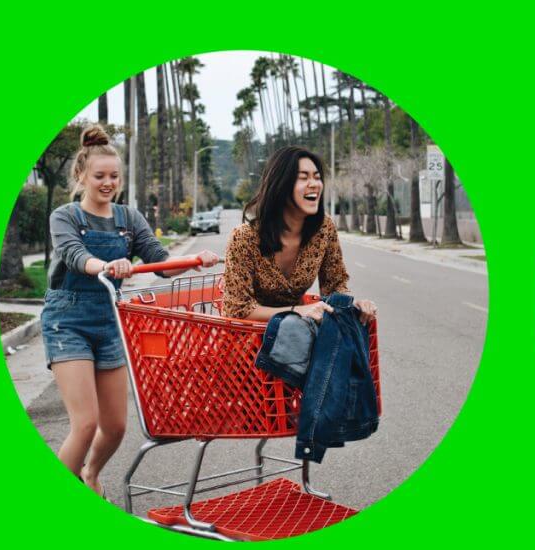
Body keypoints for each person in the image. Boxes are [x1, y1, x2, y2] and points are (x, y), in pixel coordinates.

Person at [41, 125, 218, 498]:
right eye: (99, 176)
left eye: (114, 176)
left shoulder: (129, 219)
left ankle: (90, 473)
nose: (108, 183)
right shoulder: (65, 216)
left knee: (117, 425)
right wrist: (105, 265)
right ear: (81, 176)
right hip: (67, 321)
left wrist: (193, 260)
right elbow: (74, 256)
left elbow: (161, 264)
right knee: (85, 423)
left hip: (110, 322)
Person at [222, 145, 376, 324]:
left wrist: (352, 304)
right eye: (303, 178)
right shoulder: (244, 238)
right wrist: (297, 311)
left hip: (297, 336)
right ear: (281, 186)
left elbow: (335, 285)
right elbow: (236, 309)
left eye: (317, 178)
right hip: (247, 342)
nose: (314, 184)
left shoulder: (323, 228)